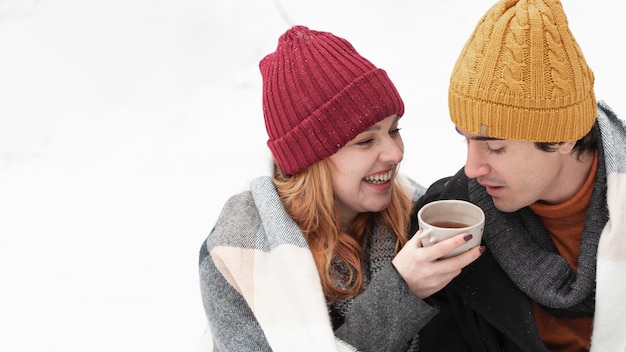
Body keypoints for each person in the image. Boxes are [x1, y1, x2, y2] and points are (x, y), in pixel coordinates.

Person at [198, 25, 483, 352]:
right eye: (365, 141)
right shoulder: (240, 256)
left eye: (395, 129)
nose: (395, 153)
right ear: (312, 160)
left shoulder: (415, 214)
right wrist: (400, 293)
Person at [414, 0, 626, 351]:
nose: (471, 168)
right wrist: (409, 292)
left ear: (561, 137)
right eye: (465, 139)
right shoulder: (447, 218)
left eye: (494, 147)